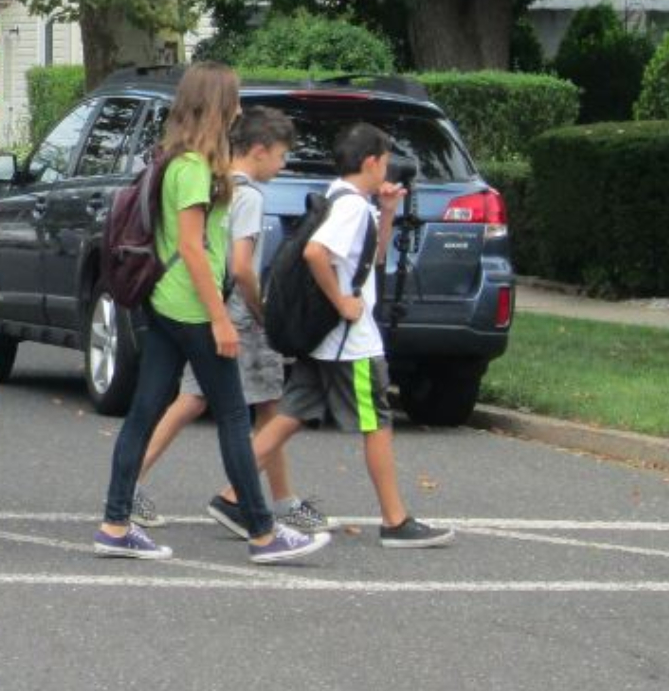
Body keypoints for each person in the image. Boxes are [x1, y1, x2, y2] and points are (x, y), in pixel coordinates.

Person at [92, 62, 330, 565]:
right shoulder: (193, 168)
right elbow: (192, 247)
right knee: (233, 417)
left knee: (145, 411)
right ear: (217, 105)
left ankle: (115, 523)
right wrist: (220, 318)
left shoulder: (176, 159)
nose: (240, 109)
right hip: (193, 307)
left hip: (167, 301)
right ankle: (263, 532)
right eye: (234, 99)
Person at [248, 122, 455, 549]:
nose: (388, 169)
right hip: (350, 343)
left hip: (325, 341)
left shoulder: (343, 197)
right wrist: (342, 302)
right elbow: (316, 252)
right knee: (377, 422)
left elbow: (367, 259)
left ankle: (234, 494)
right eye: (386, 160)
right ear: (372, 162)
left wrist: (389, 213)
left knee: (290, 414)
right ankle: (395, 520)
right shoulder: (352, 208)